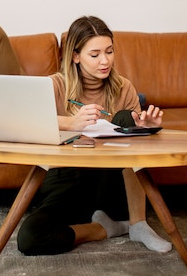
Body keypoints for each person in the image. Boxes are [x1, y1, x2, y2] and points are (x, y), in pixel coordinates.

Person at [17, 15, 172, 256]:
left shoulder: (124, 87)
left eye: (109, 51)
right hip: (66, 176)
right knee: (30, 238)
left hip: (110, 180)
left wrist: (146, 128)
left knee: (124, 118)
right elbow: (26, 122)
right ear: (75, 56)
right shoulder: (54, 86)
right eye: (95, 54)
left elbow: (140, 155)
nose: (105, 60)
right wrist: (73, 122)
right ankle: (101, 228)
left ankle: (138, 224)